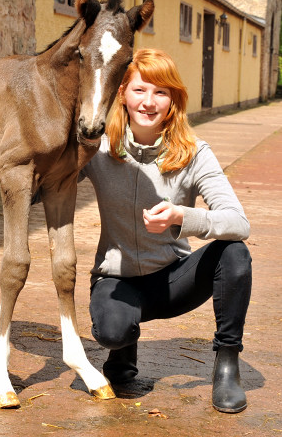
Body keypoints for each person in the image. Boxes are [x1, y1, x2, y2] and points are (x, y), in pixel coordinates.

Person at [80, 49, 252, 414]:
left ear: (173, 99)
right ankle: (122, 351)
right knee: (111, 332)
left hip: (172, 281)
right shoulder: (99, 147)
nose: (148, 102)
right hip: (116, 279)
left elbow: (239, 221)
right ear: (123, 93)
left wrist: (182, 216)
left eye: (161, 92)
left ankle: (226, 364)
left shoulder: (193, 152)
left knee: (234, 252)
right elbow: (45, 184)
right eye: (140, 90)